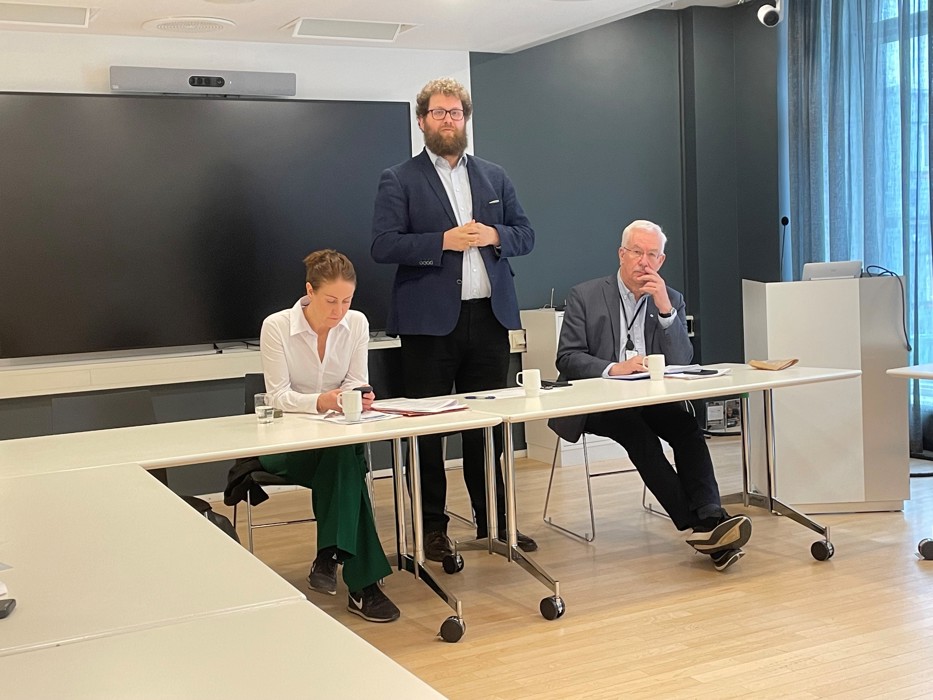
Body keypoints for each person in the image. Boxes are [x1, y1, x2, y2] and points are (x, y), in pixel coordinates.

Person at [371, 77, 537, 561]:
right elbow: (383, 245)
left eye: (456, 113)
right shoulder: (399, 178)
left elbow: (526, 235)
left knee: (487, 429)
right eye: (439, 113)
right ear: (422, 120)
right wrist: (441, 242)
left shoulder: (494, 176)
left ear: (466, 119)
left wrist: (494, 234)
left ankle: (495, 522)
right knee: (428, 434)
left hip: (489, 320)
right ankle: (432, 530)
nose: (448, 120)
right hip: (428, 327)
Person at [549, 220, 752, 571]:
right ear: (621, 254)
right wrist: (615, 368)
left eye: (652, 255)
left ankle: (709, 516)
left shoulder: (670, 298)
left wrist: (665, 310)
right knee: (637, 434)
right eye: (637, 252)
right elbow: (567, 358)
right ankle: (702, 524)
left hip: (648, 397)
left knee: (687, 428)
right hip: (599, 399)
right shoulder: (585, 295)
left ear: (661, 260)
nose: (644, 262)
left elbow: (682, 360)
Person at [255, 249, 398, 621]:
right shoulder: (277, 327)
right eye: (331, 301)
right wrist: (322, 401)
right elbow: (277, 396)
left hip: (336, 440)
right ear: (310, 291)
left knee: (341, 454)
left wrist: (358, 396)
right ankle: (358, 581)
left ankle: (331, 557)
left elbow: (356, 380)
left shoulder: (357, 323)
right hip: (287, 446)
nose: (339, 311)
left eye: (347, 301)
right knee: (347, 464)